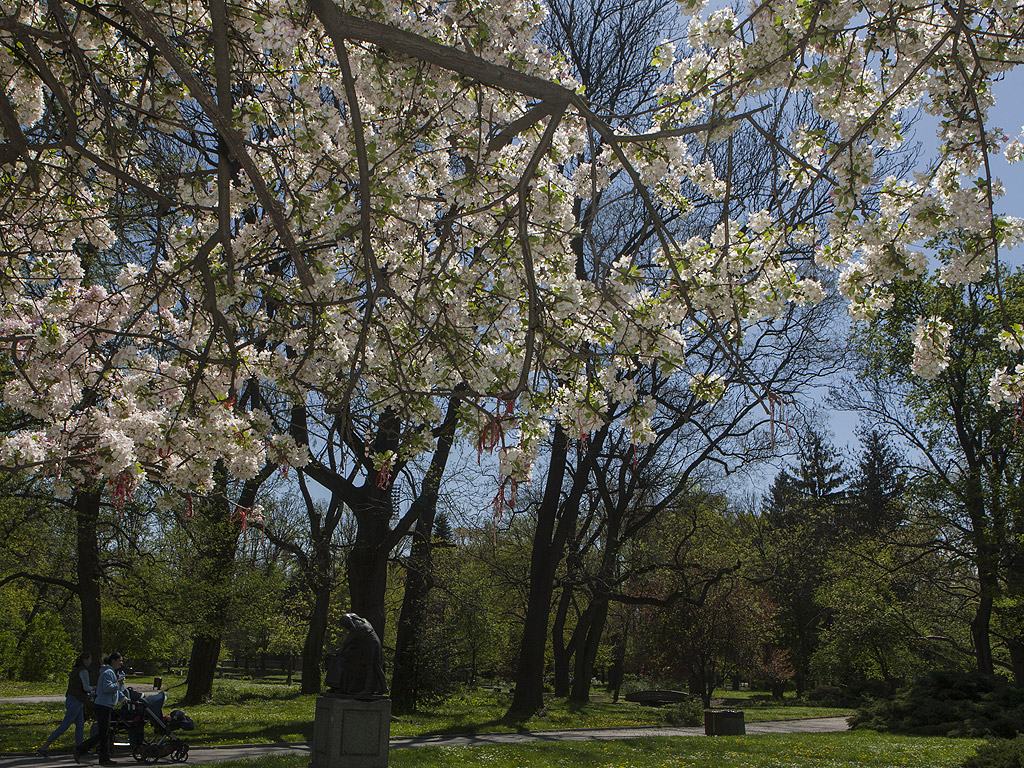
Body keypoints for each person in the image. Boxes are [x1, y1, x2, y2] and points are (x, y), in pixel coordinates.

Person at [37, 653, 95, 758]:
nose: (91, 661)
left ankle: (80, 749)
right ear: (85, 660)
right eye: (90, 659)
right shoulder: (83, 671)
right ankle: (44, 747)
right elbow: (86, 687)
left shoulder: (75, 671)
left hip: (72, 699)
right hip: (76, 701)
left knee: (80, 725)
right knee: (65, 725)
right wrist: (94, 689)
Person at [75, 652, 126, 766]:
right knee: (103, 733)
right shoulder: (108, 672)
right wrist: (118, 684)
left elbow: (115, 690)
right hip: (103, 706)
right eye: (120, 660)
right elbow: (107, 688)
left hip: (106, 705)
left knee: (105, 733)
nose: (121, 663)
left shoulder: (111, 672)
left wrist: (123, 698)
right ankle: (81, 749)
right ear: (113, 660)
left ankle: (104, 758)